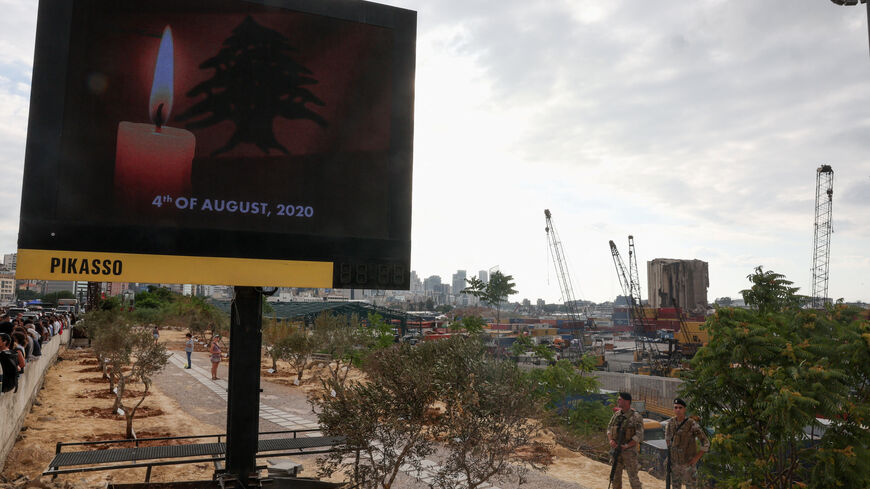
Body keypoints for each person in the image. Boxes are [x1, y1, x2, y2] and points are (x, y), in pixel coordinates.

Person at [665, 398, 710, 489]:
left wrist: (696, 458)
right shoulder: (670, 423)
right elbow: (668, 440)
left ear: (684, 409)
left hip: (688, 465)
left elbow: (706, 443)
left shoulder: (691, 424)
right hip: (675, 465)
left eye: (680, 407)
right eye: (676, 407)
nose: (678, 410)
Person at [607, 392, 644, 489]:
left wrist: (627, 446)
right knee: (615, 477)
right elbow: (609, 429)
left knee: (633, 478)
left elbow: (639, 435)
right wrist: (611, 441)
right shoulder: (616, 415)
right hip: (616, 450)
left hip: (629, 452)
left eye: (620, 399)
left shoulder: (636, 417)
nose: (618, 401)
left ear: (627, 401)